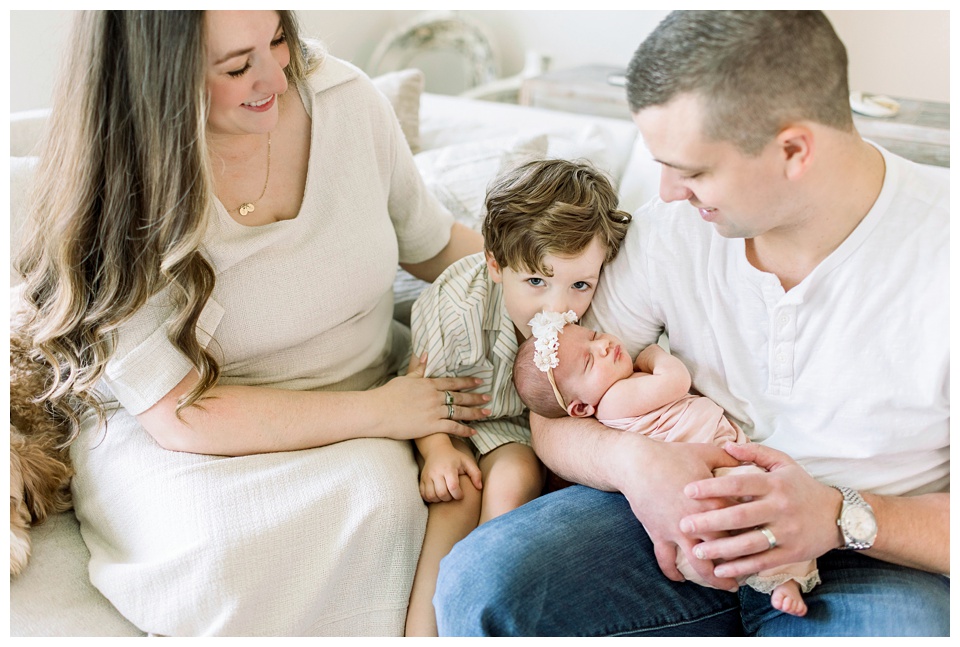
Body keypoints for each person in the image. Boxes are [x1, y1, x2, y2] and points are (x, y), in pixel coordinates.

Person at [434, 10, 949, 637]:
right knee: (482, 586)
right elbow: (554, 409)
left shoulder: (939, 249)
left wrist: (842, 517)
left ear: (793, 150)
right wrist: (634, 464)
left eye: (694, 170)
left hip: (876, 549)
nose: (670, 192)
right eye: (662, 163)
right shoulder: (673, 231)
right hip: (675, 506)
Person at [13, 10, 489, 636]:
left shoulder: (346, 101)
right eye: (237, 66)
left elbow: (431, 243)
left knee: (385, 503)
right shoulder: (114, 190)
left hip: (362, 392)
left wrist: (558, 275)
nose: (276, 77)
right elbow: (178, 414)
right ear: (157, 81)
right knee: (223, 555)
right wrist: (388, 411)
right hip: (182, 433)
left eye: (277, 41)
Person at [403, 159, 632, 636]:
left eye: (579, 285)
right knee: (456, 493)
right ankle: (422, 633)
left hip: (514, 431)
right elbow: (419, 390)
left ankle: (484, 599)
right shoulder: (457, 309)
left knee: (513, 477)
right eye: (535, 282)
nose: (558, 307)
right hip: (449, 416)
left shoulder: (599, 314)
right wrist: (438, 451)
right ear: (494, 264)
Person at [514, 313, 820, 617]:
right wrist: (654, 355)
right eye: (589, 362)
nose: (604, 346)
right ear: (580, 408)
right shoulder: (616, 399)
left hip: (709, 459)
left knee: (747, 516)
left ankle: (775, 579)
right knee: (755, 507)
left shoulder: (620, 387)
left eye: (593, 336)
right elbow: (676, 381)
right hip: (710, 463)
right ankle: (782, 579)